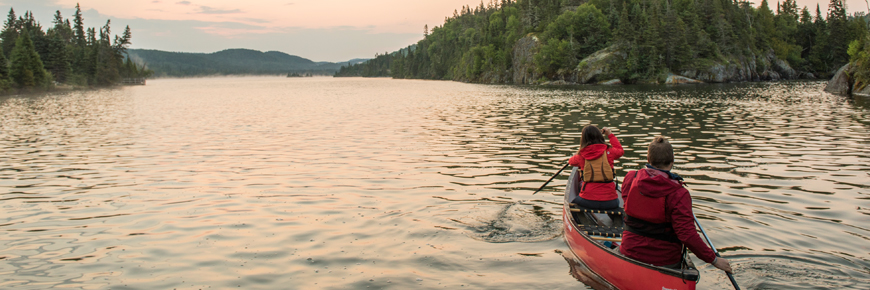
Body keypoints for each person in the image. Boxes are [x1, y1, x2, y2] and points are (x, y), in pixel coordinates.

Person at [619, 136, 732, 273]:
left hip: (630, 252)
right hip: (665, 262)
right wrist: (714, 260)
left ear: (648, 159)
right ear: (672, 161)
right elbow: (687, 235)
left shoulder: (631, 178)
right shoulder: (680, 194)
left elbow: (627, 204)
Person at [568, 125, 624, 209]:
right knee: (615, 202)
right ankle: (615, 219)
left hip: (587, 200)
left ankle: (583, 220)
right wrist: (610, 135)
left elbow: (571, 162)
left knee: (573, 205)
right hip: (611, 202)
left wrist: (578, 152)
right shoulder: (610, 151)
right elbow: (620, 151)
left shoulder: (581, 156)